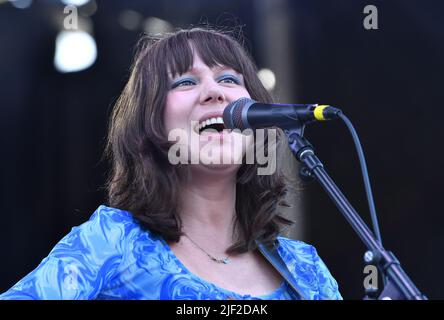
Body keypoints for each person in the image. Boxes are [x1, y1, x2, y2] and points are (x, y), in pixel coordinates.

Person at [0, 27, 341, 300]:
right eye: (185, 82)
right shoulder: (112, 243)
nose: (215, 92)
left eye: (229, 79)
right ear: (151, 126)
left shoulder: (304, 268)